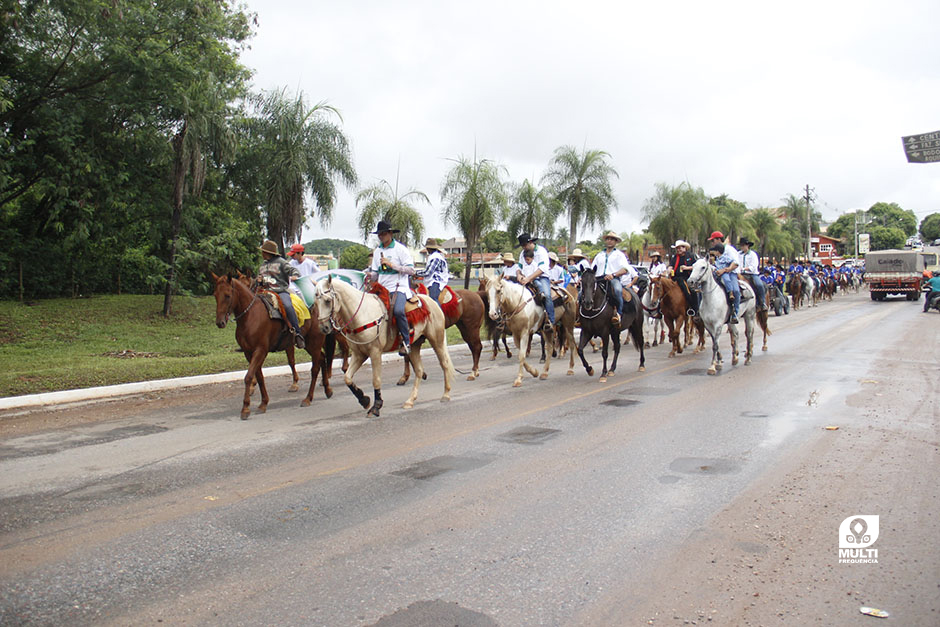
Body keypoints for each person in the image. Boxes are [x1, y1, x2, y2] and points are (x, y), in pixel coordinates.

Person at [367, 220, 416, 357]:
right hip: (382, 288)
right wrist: (369, 275)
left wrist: (392, 265)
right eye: (379, 234)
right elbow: (376, 273)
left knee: (399, 310)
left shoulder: (400, 249)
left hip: (398, 287)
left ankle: (406, 341)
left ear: (390, 234)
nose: (381, 236)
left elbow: (411, 270)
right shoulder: (377, 251)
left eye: (383, 234)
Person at [257, 239, 306, 349]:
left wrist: (295, 276)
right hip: (264, 292)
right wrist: (259, 280)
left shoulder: (281, 262)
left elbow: (294, 270)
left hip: (280, 291)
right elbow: (259, 277)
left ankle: (297, 333)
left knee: (288, 306)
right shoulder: (262, 265)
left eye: (263, 251)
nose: (262, 254)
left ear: (268, 252)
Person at [591, 231, 636, 326]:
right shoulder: (599, 255)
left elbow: (625, 269)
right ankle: (581, 316)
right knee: (582, 293)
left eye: (612, 239)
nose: (609, 241)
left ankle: (618, 314)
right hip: (599, 279)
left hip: (613, 279)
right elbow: (592, 269)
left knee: (618, 290)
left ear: (615, 242)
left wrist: (614, 275)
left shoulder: (619, 255)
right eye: (608, 239)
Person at [517, 232, 555, 330]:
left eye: (524, 245)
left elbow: (542, 268)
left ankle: (550, 320)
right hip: (525, 278)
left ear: (530, 242)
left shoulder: (541, 251)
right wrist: (519, 276)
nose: (523, 248)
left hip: (541, 277)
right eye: (522, 246)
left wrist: (529, 278)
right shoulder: (522, 254)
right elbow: (519, 267)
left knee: (546, 295)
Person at [707, 233, 740, 324]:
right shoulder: (715, 253)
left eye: (713, 241)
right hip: (718, 273)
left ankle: (735, 313)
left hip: (730, 273)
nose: (712, 243)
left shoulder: (729, 249)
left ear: (718, 239)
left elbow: (735, 263)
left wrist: (725, 270)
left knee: (736, 291)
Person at [670, 239, 699, 317]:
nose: (679, 249)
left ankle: (694, 309)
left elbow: (697, 267)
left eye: (681, 247)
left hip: (687, 277)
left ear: (685, 248)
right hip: (674, 277)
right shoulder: (674, 258)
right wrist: (669, 269)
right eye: (677, 248)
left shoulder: (691, 256)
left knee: (691, 291)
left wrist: (687, 268)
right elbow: (671, 266)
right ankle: (661, 308)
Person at [737, 237, 766, 310]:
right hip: (739, 274)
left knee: (759, 285)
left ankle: (762, 302)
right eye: (741, 245)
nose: (742, 247)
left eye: (743, 245)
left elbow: (753, 267)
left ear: (748, 245)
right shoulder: (738, 254)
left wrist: (743, 268)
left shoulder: (753, 254)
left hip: (751, 274)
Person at [417, 238, 448, 303]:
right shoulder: (433, 256)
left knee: (433, 299)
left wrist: (415, 273)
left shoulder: (436, 258)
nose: (427, 249)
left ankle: (438, 312)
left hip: (436, 281)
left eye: (427, 248)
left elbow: (428, 272)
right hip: (430, 281)